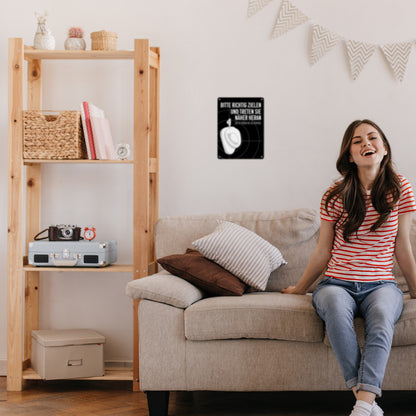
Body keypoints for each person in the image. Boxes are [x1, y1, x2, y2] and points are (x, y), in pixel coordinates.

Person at [282, 119, 416, 416]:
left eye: (372, 138)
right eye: (357, 141)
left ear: (384, 149)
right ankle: (366, 402)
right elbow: (323, 251)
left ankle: (362, 405)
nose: (366, 143)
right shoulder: (335, 194)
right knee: (333, 308)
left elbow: (402, 246)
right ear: (350, 155)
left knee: (382, 315)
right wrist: (300, 288)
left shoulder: (401, 189)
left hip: (381, 285)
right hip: (336, 284)